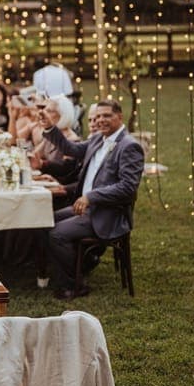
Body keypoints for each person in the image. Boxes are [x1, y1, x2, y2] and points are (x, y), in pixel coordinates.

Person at [41, 100, 144, 300]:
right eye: (98, 117)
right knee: (46, 221)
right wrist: (50, 128)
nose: (100, 120)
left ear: (119, 117)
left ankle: (75, 284)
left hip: (107, 213)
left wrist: (91, 196)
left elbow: (127, 188)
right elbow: (71, 149)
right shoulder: (98, 139)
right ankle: (78, 266)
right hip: (86, 208)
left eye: (106, 116)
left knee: (57, 234)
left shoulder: (129, 146)